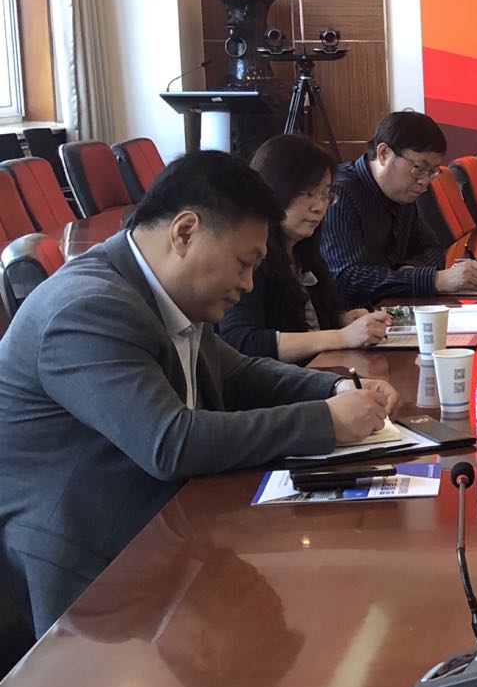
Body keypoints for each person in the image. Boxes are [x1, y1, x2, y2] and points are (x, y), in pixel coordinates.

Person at [0, 151, 399, 639]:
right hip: (98, 578)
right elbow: (171, 442)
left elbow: (236, 374)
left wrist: (336, 386)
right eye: (244, 263)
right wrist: (326, 421)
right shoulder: (90, 308)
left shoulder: (163, 292)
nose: (248, 284)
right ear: (185, 232)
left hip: (172, 528)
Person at [218, 134, 391, 361]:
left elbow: (302, 329)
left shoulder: (303, 252)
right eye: (308, 193)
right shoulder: (252, 258)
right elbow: (242, 342)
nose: (319, 206)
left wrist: (339, 321)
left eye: (326, 195)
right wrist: (340, 336)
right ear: (274, 189)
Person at [320, 109, 477, 301]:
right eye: (419, 168)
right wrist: (434, 280)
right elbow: (347, 278)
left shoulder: (403, 193)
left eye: (432, 172)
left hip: (394, 307)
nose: (424, 181)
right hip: (355, 315)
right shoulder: (338, 193)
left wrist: (409, 273)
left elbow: (433, 250)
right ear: (384, 153)